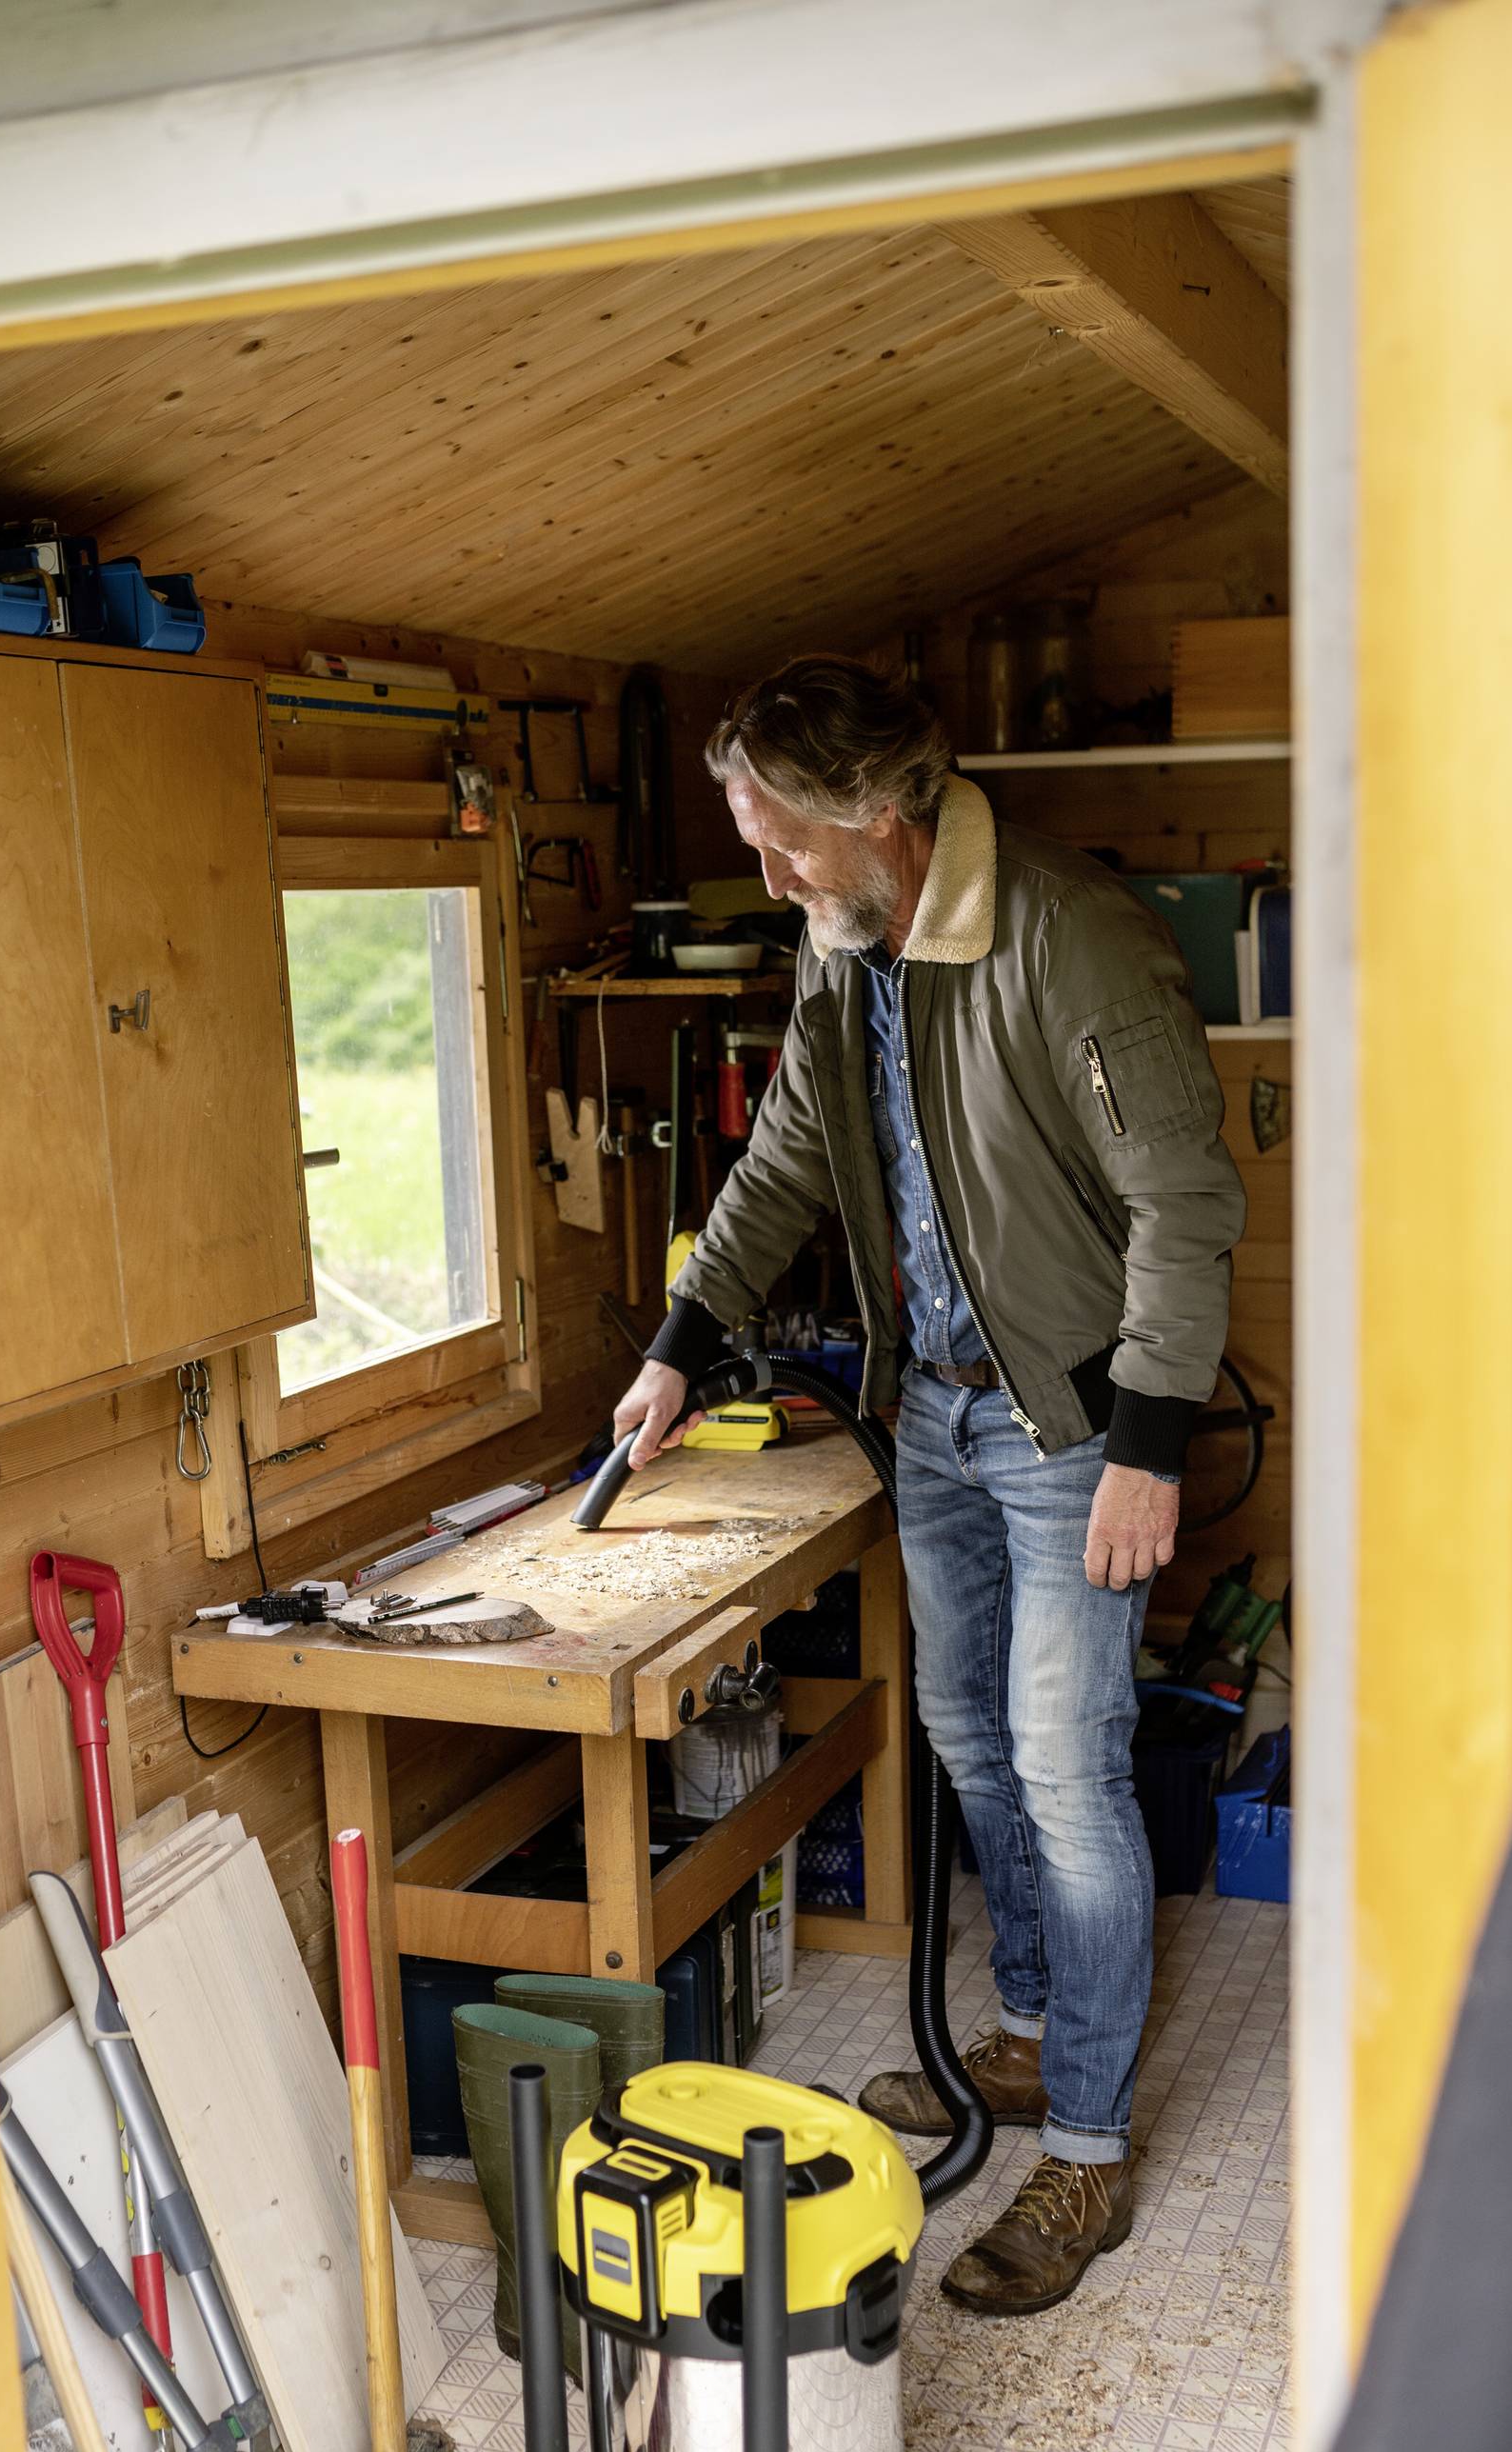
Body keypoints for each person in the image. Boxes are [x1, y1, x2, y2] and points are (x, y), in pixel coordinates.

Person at [613, 657, 1244, 2314]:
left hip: (1070, 1431)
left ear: (873, 814)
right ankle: (1030, 2037)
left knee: (1070, 1763)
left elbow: (1185, 1204)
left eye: (780, 844)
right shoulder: (846, 952)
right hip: (939, 1419)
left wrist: (1152, 1447)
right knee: (973, 1741)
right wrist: (685, 1336)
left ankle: (1090, 2158)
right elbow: (791, 1159)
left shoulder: (1069, 938)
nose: (767, 879)